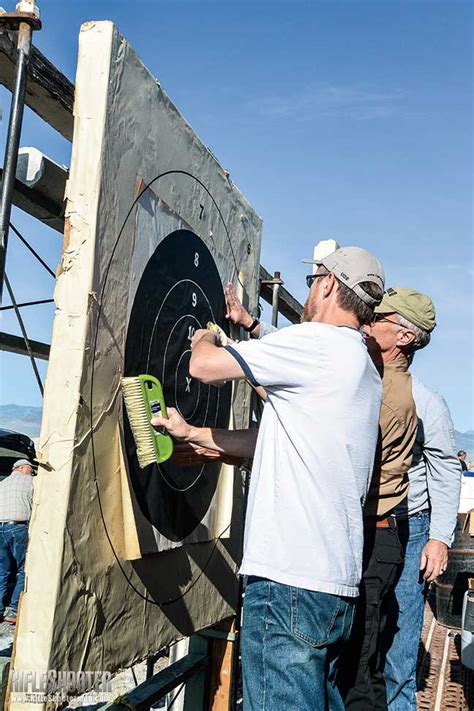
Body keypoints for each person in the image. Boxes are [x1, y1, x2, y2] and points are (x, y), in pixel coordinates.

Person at [155, 245, 385, 710]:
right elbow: (278, 432)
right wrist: (198, 435)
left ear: (326, 284)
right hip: (332, 586)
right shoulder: (360, 367)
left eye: (311, 282)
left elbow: (203, 368)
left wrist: (207, 335)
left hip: (288, 583)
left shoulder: (315, 343)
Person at [381, 376, 461, 709]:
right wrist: (254, 329)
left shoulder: (426, 401)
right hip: (359, 523)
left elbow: (444, 466)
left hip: (410, 526)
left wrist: (439, 538)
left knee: (400, 641)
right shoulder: (354, 378)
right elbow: (312, 342)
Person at [0, 458, 34, 624]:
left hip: (1, 528)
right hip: (19, 528)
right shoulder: (30, 481)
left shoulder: (3, 483)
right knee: (24, 569)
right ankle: (13, 610)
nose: (33, 472)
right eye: (31, 469)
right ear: (21, 468)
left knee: (3, 571)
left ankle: (0, 608)